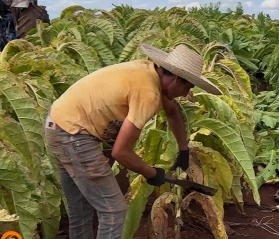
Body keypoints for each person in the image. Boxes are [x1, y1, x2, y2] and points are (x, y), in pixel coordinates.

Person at [43, 43, 223, 239]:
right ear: (178, 79)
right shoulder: (149, 93)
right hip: (73, 135)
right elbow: (120, 152)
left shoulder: (149, 72)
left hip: (57, 123)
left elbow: (172, 111)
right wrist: (152, 173)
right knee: (113, 211)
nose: (186, 94)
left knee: (81, 211)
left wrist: (183, 148)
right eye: (188, 87)